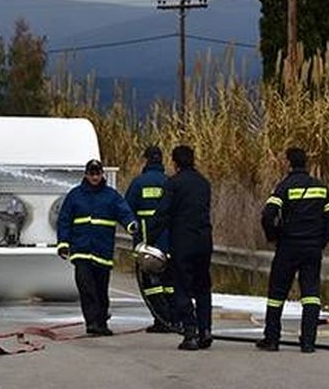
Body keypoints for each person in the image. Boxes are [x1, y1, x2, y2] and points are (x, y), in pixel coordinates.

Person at [256, 147, 329, 353]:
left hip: (288, 247)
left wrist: (273, 236)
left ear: (288, 163)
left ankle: (272, 339)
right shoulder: (320, 188)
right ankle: (308, 342)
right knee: (311, 294)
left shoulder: (284, 187)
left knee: (277, 293)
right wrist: (321, 242)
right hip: (312, 248)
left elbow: (267, 215)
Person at [56, 159, 137, 336]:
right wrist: (63, 243)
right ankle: (92, 322)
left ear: (102, 174)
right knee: (86, 287)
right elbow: (64, 220)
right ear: (86, 174)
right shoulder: (75, 195)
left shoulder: (111, 196)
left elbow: (124, 212)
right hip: (81, 251)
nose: (94, 177)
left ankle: (101, 322)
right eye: (91, 173)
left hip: (102, 251)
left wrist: (131, 225)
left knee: (101, 289)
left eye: (97, 173)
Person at [149, 145, 214, 351]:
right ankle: (206, 330)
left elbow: (162, 214)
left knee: (182, 287)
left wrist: (148, 239)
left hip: (183, 243)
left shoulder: (173, 184)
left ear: (175, 162)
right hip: (204, 242)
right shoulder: (203, 183)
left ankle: (190, 332)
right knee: (203, 286)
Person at [125, 145, 177, 333]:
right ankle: (174, 318)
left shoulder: (138, 183)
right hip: (170, 244)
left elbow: (126, 211)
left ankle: (162, 319)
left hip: (147, 244)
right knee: (169, 283)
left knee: (150, 285)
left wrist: (135, 236)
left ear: (146, 160)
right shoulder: (169, 182)